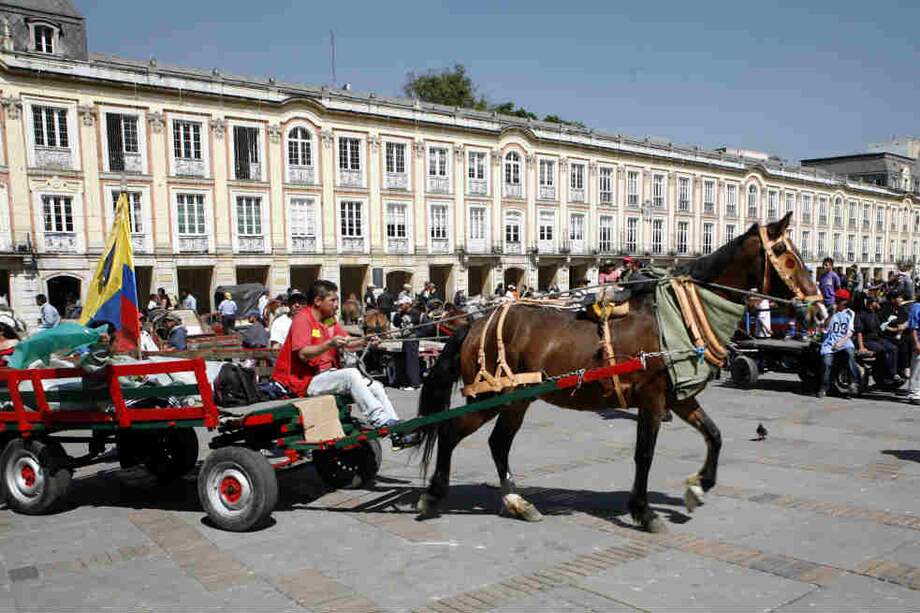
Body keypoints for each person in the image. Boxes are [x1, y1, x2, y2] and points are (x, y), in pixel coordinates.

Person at [271, 279, 417, 446]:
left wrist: (365, 341)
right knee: (351, 374)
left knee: (376, 386)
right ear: (318, 301)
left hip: (326, 377)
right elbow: (304, 354)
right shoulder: (303, 319)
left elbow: (346, 342)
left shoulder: (328, 320)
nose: (336, 305)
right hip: (304, 382)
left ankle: (396, 432)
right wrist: (329, 344)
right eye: (332, 300)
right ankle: (381, 421)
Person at [817, 288, 860, 398]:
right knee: (827, 362)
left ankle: (854, 382)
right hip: (830, 340)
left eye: (842, 301)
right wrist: (832, 313)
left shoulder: (850, 313)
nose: (841, 303)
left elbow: (850, 331)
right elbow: (824, 327)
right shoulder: (829, 311)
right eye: (839, 300)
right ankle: (824, 386)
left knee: (850, 353)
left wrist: (841, 342)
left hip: (844, 339)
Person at [855, 295, 900, 385]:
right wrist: (861, 347)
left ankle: (892, 373)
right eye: (876, 302)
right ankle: (878, 373)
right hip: (867, 340)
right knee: (882, 350)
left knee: (893, 348)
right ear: (871, 304)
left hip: (877, 338)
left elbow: (881, 325)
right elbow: (859, 332)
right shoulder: (861, 315)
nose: (878, 303)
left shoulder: (875, 313)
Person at [390, 296, 422, 390]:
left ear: (408, 304)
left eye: (402, 304)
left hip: (412, 339)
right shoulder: (401, 313)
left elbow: (415, 323)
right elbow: (396, 323)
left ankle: (414, 384)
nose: (400, 306)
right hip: (405, 339)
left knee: (412, 361)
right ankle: (407, 382)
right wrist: (397, 314)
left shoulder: (415, 312)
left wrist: (417, 335)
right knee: (405, 361)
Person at [879, 291, 911, 378]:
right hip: (887, 335)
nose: (901, 299)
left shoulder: (901, 309)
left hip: (899, 333)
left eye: (901, 297)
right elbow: (883, 325)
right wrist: (895, 329)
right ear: (892, 299)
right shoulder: (886, 309)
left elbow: (905, 321)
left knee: (909, 339)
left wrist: (904, 326)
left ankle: (906, 366)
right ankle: (903, 368)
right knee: (902, 343)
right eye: (898, 297)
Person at [817, 258, 841, 322]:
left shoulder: (834, 276)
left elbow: (838, 289)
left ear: (831, 266)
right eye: (823, 265)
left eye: (826, 265)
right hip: (823, 302)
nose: (824, 266)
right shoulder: (822, 276)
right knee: (822, 320)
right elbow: (820, 288)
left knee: (830, 321)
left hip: (831, 302)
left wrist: (837, 302)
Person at [908, 299, 920, 405]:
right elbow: (913, 328)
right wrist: (916, 343)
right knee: (917, 368)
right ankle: (914, 393)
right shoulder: (916, 307)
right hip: (919, 341)